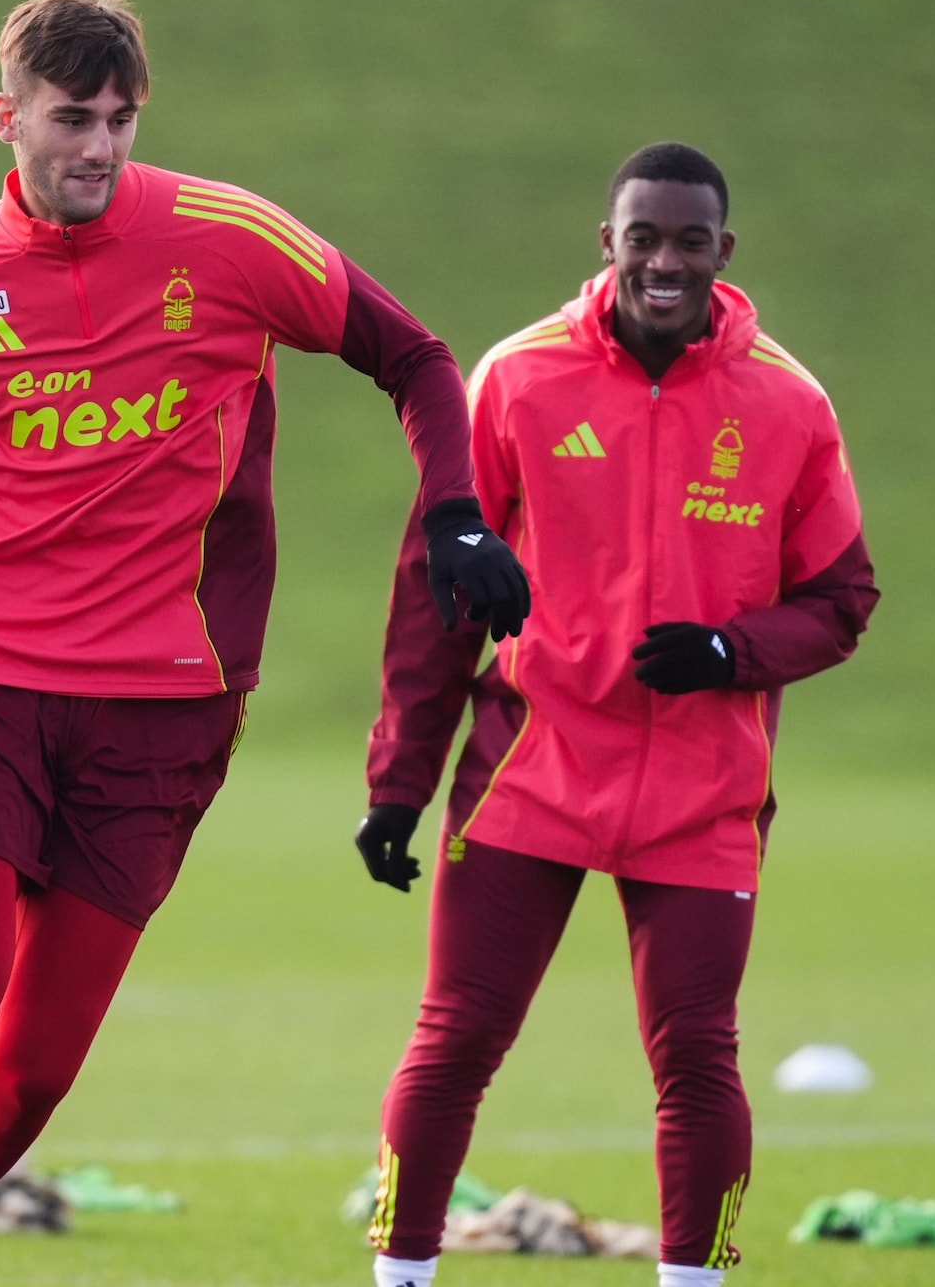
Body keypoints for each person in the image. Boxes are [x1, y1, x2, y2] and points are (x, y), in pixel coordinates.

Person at [0, 0, 529, 1287]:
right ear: (8, 117)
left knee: (37, 1068)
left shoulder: (228, 240)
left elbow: (419, 355)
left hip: (168, 704)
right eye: (72, 118)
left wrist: (454, 512)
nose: (101, 146)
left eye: (122, 117)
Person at [357, 143, 878, 1287]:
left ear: (721, 254)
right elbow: (428, 595)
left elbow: (842, 600)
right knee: (453, 1042)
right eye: (641, 237)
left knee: (697, 1057)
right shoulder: (515, 380)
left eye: (688, 241)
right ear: (607, 245)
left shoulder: (787, 403)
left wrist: (729, 652)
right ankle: (398, 1276)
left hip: (700, 788)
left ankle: (692, 1280)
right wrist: (398, 784)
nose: (663, 260)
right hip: (527, 768)